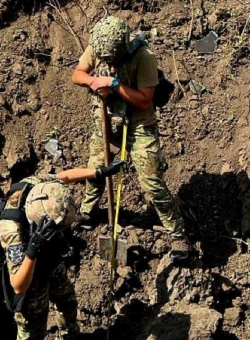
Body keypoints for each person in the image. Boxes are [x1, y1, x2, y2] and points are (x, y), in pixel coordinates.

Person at [71, 16, 189, 261]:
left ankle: (177, 234)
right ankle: (86, 213)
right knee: (95, 172)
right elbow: (78, 73)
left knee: (152, 183)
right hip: (104, 121)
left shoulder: (144, 57)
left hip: (138, 125)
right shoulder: (99, 45)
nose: (106, 60)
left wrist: (114, 85)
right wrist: (94, 82)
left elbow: (145, 99)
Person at [0, 161, 124, 340]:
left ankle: (69, 336)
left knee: (67, 301)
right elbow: (18, 286)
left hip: (49, 257)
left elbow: (64, 177)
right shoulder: (11, 229)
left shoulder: (39, 186)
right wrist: (32, 250)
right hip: (29, 271)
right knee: (32, 330)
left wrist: (98, 172)